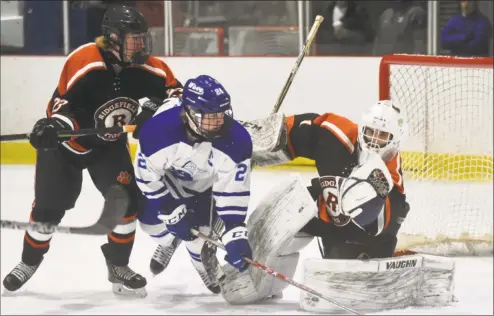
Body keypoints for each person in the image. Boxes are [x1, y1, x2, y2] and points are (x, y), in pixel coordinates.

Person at [2, 5, 182, 297]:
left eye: (142, 37)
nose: (141, 43)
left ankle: (118, 265)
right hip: (65, 146)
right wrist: (52, 126)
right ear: (112, 37)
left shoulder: (150, 68)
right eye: (133, 38)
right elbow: (60, 104)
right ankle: (28, 262)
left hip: (108, 146)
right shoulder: (84, 60)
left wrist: (152, 109)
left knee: (126, 206)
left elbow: (177, 93)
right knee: (47, 211)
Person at [133, 75, 253, 294]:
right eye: (210, 116)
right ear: (188, 113)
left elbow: (233, 191)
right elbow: (146, 176)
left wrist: (234, 229)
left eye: (220, 114)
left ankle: (201, 264)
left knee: (199, 240)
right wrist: (169, 210)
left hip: (204, 186)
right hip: (169, 181)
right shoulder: (158, 132)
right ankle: (169, 242)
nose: (218, 121)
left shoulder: (237, 140)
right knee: (151, 226)